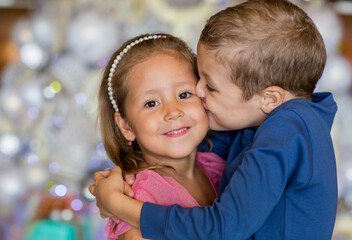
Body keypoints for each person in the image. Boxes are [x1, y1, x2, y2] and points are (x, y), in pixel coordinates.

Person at [89, 0, 338, 239]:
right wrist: (115, 178)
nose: (199, 93)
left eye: (210, 87)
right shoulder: (268, 126)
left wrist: (119, 205)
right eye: (198, 82)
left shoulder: (287, 130)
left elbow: (223, 228)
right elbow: (187, 140)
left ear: (270, 99)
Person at [94, 33, 226, 239]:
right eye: (151, 103)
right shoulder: (138, 199)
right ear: (126, 125)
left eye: (184, 94)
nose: (173, 112)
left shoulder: (219, 166)